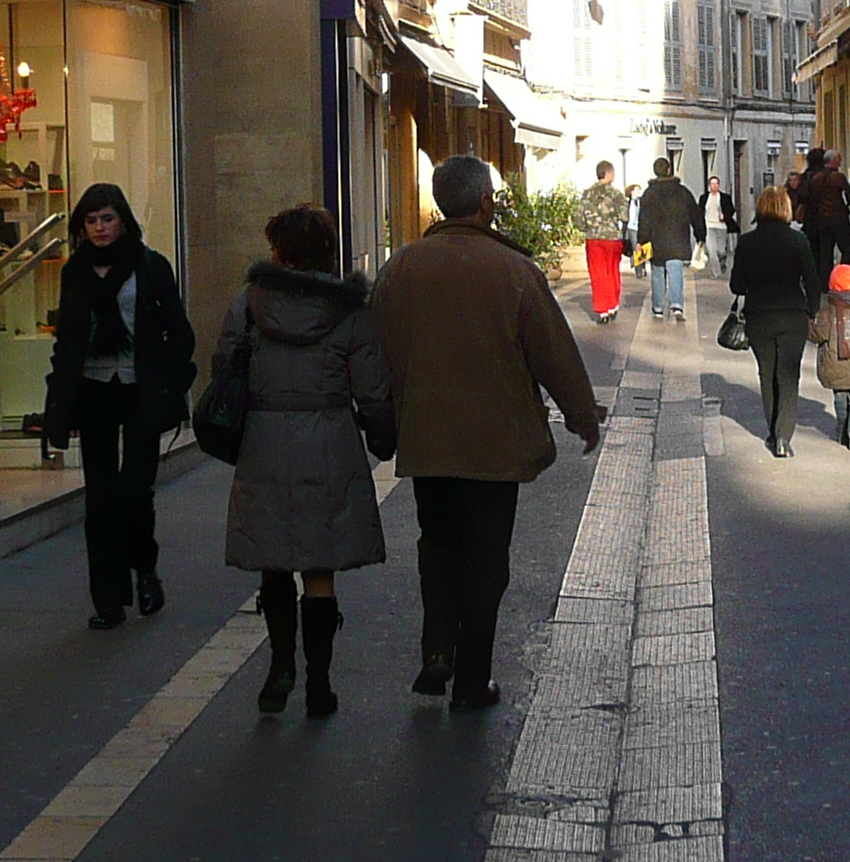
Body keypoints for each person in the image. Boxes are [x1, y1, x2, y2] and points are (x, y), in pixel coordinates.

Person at [373, 155, 604, 708]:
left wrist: (379, 422)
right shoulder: (514, 271)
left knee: (438, 546)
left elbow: (374, 351)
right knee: (487, 559)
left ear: (437, 203)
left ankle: (436, 651)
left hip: (426, 440)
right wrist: (582, 416)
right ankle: (473, 677)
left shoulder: (401, 267)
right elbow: (553, 353)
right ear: (485, 203)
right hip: (495, 445)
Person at [215, 203, 395, 717]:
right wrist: (383, 436)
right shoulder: (350, 311)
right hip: (329, 441)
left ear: (278, 251)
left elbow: (225, 367)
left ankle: (279, 670)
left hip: (265, 442)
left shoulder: (248, 305)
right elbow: (373, 387)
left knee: (273, 563)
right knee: (320, 569)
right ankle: (320, 683)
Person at [40, 182, 195, 629]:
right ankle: (107, 598)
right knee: (100, 498)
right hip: (93, 390)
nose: (100, 228)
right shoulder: (75, 272)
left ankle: (145, 571)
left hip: (139, 389)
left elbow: (177, 330)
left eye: (107, 219)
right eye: (91, 221)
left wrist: (171, 382)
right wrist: (59, 401)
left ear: (123, 220)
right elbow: (67, 341)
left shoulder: (149, 266)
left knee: (135, 492)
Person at [730, 184, 820, 456]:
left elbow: (737, 285)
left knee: (766, 374)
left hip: (759, 317)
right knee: (788, 375)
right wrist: (812, 310)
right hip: (793, 315)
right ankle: (783, 437)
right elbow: (812, 281)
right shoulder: (798, 240)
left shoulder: (747, 242)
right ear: (786, 208)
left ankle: (772, 431)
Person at [808, 262, 850, 448]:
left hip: (835, 363)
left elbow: (817, 335)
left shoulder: (826, 311)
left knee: (841, 397)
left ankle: (842, 431)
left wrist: (810, 324)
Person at [636, 156, 704, 320]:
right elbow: (695, 215)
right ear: (669, 170)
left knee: (658, 273)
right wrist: (700, 235)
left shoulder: (649, 194)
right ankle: (677, 306)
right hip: (677, 240)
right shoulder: (682, 192)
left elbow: (643, 219)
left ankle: (658, 307)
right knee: (675, 271)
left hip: (656, 241)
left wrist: (642, 240)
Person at [575, 160, 631, 324]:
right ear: (608, 174)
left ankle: (602, 309)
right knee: (612, 270)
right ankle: (613, 304)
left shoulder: (587, 194)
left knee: (598, 273)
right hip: (612, 239)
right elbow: (624, 216)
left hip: (594, 239)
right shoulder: (615, 194)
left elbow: (578, 219)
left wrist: (588, 227)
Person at [797, 146, 850, 281]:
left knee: (825, 252)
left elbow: (808, 198)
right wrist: (844, 205)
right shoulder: (838, 177)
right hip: (839, 218)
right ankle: (845, 279)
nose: (840, 163)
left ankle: (825, 282)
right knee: (846, 249)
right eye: (839, 160)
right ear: (833, 160)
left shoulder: (815, 178)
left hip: (822, 219)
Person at [701, 172, 739, 275]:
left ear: (719, 185)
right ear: (709, 186)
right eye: (712, 184)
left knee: (721, 250)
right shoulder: (704, 198)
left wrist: (725, 216)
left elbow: (731, 210)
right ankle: (716, 272)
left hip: (721, 226)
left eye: (716, 183)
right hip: (709, 226)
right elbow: (700, 211)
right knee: (712, 251)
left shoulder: (725, 197)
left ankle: (722, 262)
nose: (714, 186)